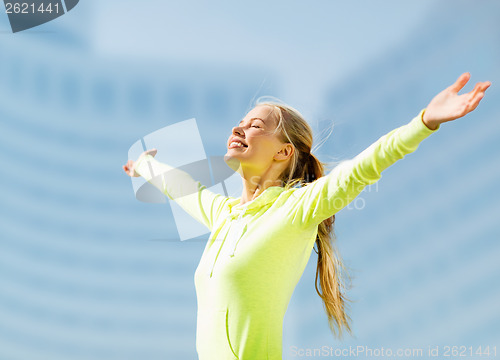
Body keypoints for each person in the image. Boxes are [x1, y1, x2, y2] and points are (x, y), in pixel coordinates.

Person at [123, 73, 490, 360]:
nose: (238, 128)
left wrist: (424, 121)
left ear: (284, 152)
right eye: (240, 122)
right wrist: (145, 164)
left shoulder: (297, 209)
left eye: (255, 125)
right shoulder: (225, 215)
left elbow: (363, 167)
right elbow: (182, 186)